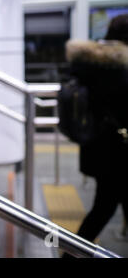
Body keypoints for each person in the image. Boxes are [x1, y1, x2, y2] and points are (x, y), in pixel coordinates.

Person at [63, 14, 128, 256]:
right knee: (103, 208)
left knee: (105, 206)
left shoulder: (90, 62)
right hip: (118, 152)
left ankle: (71, 254)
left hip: (100, 149)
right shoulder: (118, 67)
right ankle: (70, 254)